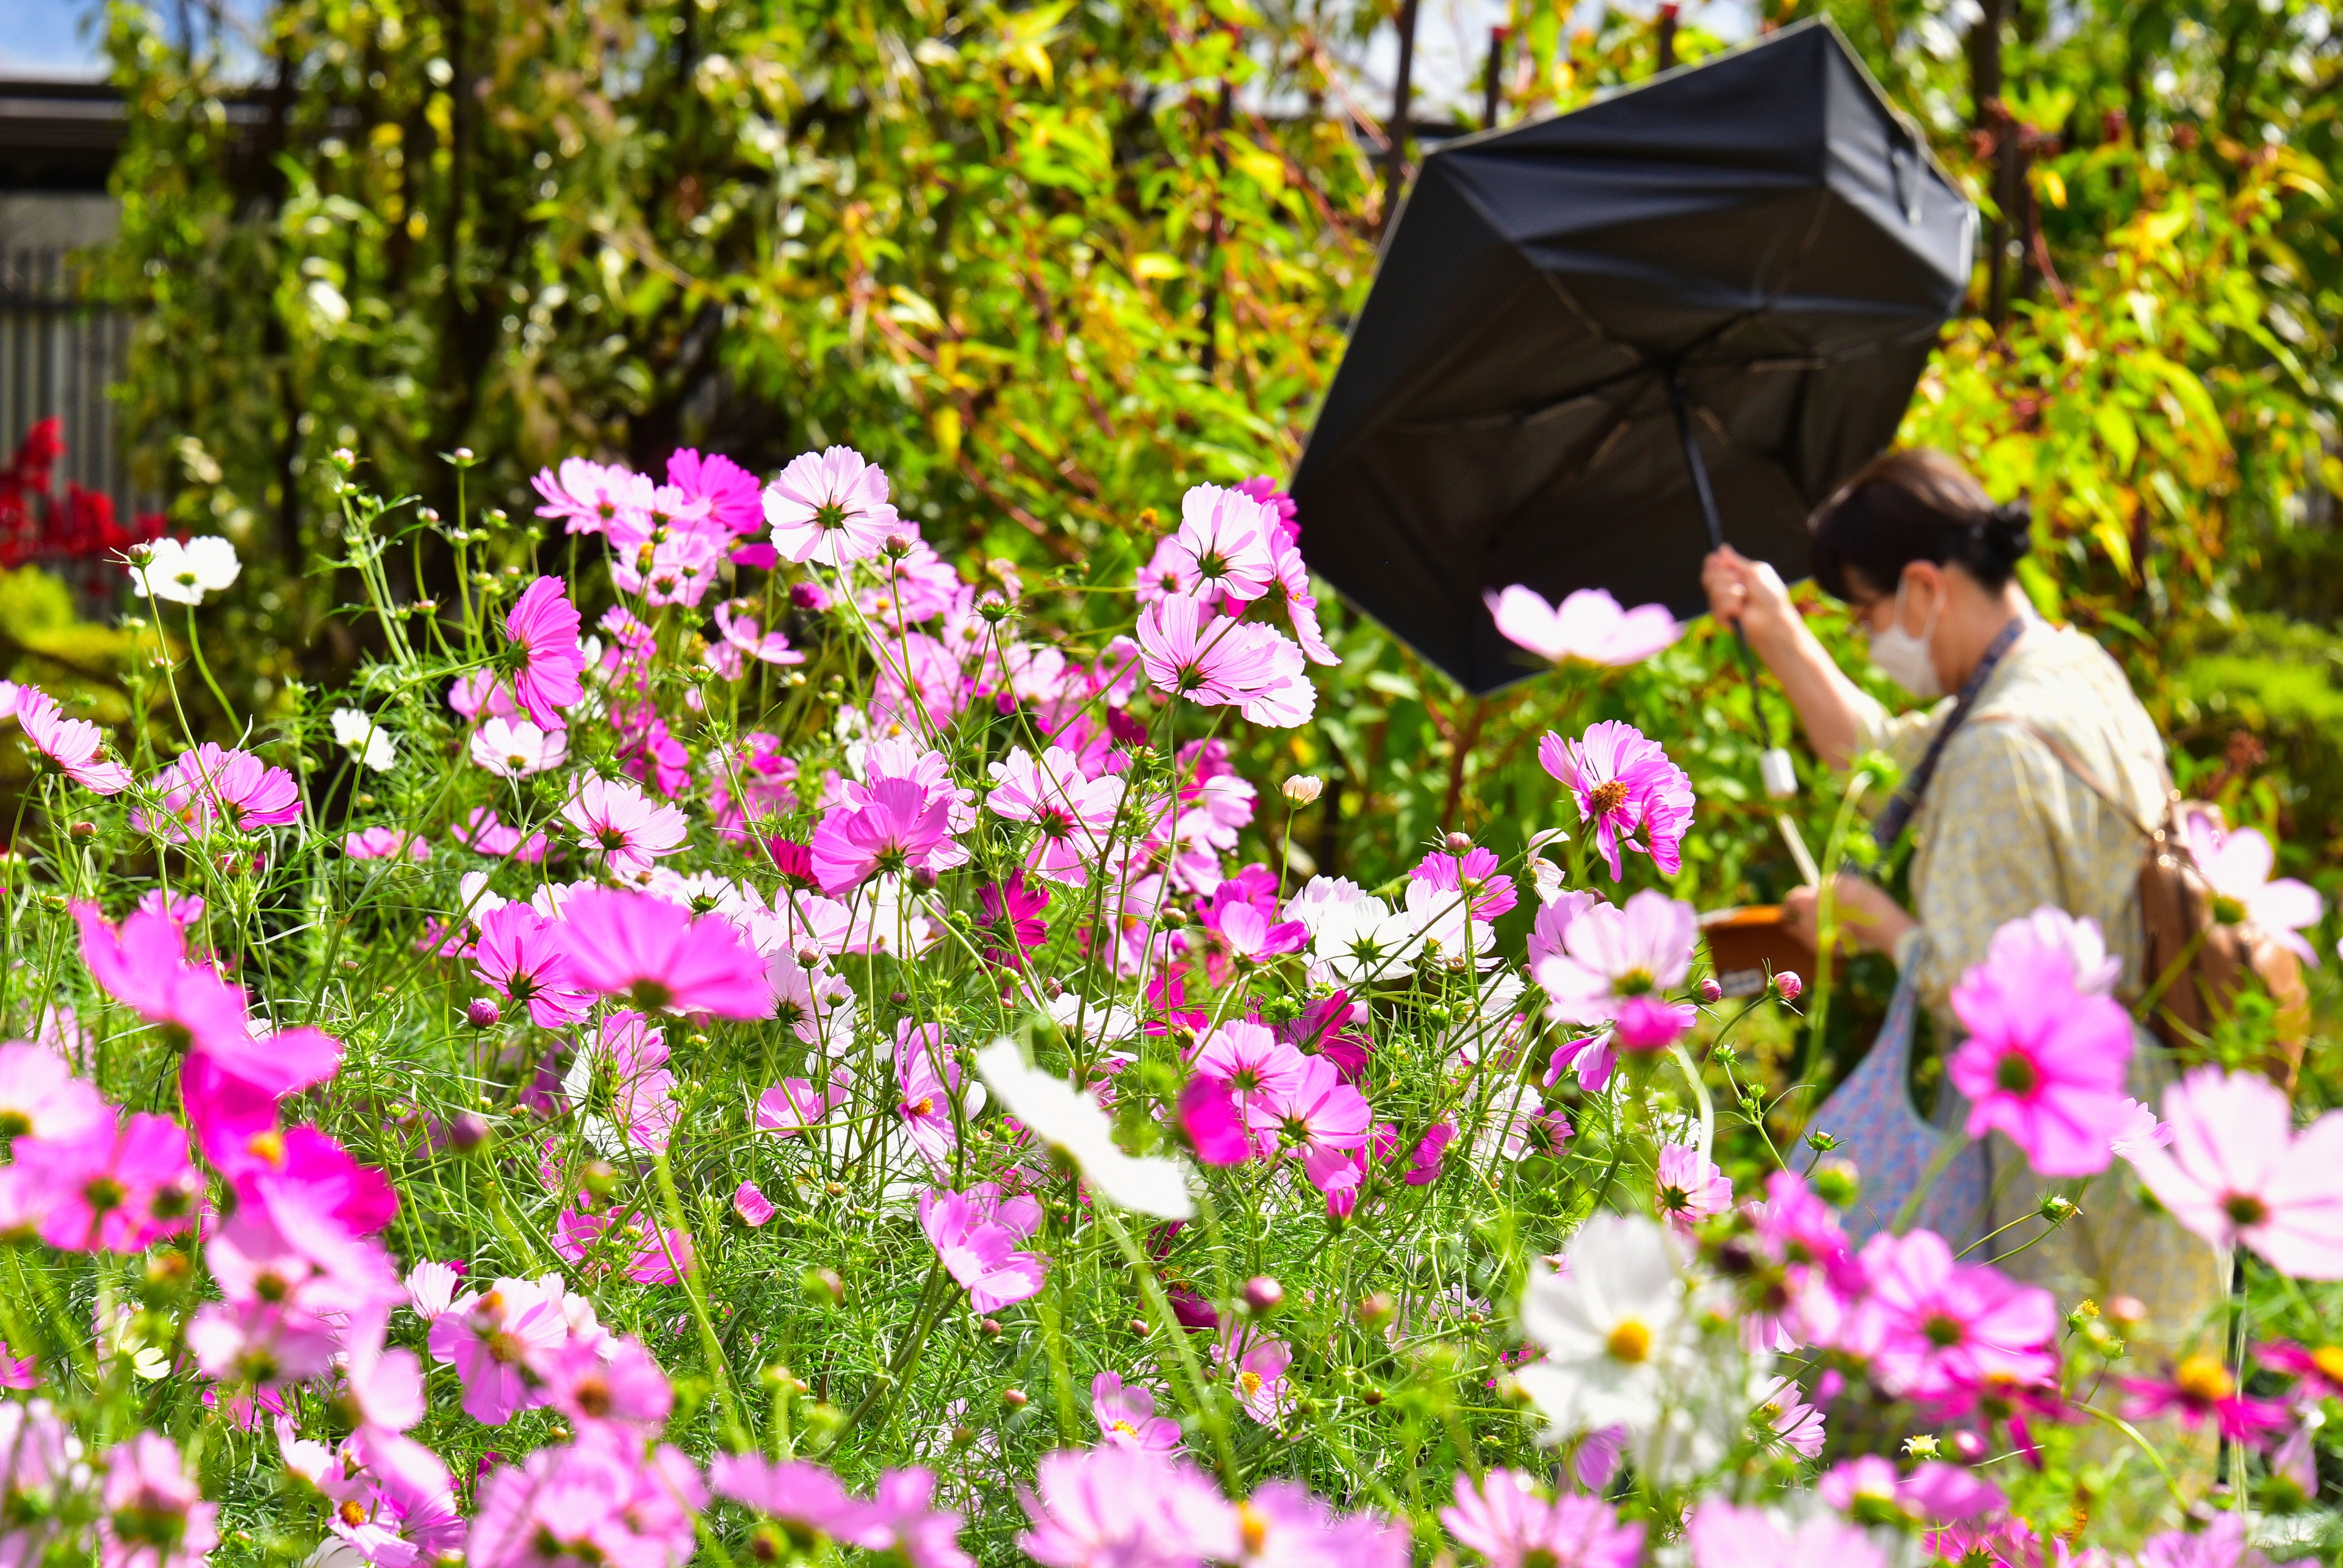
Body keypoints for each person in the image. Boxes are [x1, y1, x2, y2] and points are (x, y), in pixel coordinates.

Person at [1701, 448, 2225, 1399]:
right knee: (2165, 1433)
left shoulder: (1994, 752)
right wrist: (1777, 629)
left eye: (1863, 617)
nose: (1868, 643)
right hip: (2159, 1108)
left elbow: (1993, 1006)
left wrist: (1879, 923)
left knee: (2085, 1445)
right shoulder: (2064, 668)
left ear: (1924, 587)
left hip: (2076, 1147)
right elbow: (1887, 760)